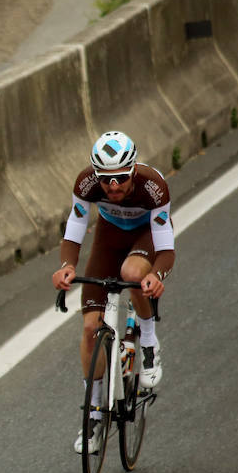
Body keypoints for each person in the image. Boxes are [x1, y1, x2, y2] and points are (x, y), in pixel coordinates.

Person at [50, 131, 174, 454]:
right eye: (106, 180)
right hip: (109, 236)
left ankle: (147, 339)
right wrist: (67, 266)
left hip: (145, 236)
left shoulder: (153, 186)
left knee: (132, 275)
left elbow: (166, 249)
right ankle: (92, 414)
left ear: (132, 170)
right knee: (91, 328)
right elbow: (74, 230)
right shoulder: (86, 184)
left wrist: (156, 276)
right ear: (96, 176)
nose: (113, 186)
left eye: (120, 178)